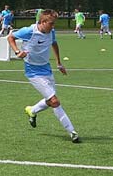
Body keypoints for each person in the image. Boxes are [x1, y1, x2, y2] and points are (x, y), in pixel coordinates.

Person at [11, 10, 79, 143]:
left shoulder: (51, 32)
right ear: (42, 22)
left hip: (46, 69)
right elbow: (10, 37)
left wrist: (59, 63)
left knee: (50, 101)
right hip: (33, 71)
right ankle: (72, 132)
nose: (53, 27)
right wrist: (17, 51)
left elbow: (54, 43)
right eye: (51, 24)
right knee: (55, 101)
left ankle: (32, 110)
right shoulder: (29, 31)